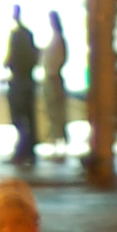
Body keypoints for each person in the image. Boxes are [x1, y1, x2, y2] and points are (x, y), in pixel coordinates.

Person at [4, 6, 39, 171]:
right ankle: (28, 152)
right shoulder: (28, 35)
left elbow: (10, 58)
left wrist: (9, 65)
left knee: (19, 118)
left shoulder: (16, 35)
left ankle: (22, 151)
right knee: (29, 118)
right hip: (28, 80)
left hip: (18, 80)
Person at [39, 10, 70, 159]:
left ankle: (59, 147)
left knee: (56, 114)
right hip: (53, 77)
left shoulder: (58, 40)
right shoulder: (57, 40)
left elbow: (58, 59)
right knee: (54, 114)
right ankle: (57, 145)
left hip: (53, 78)